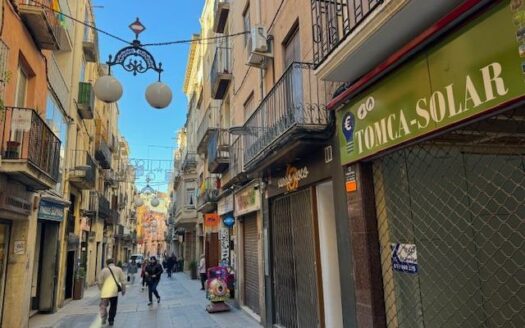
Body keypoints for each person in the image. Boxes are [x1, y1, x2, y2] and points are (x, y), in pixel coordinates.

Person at [98, 258, 126, 326]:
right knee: (113, 306)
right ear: (113, 262)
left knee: (103, 306)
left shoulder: (104, 270)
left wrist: (101, 289)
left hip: (105, 292)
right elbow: (123, 281)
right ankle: (111, 320)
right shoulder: (119, 269)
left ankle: (103, 319)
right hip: (114, 292)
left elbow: (99, 282)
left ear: (107, 263)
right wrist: (123, 290)